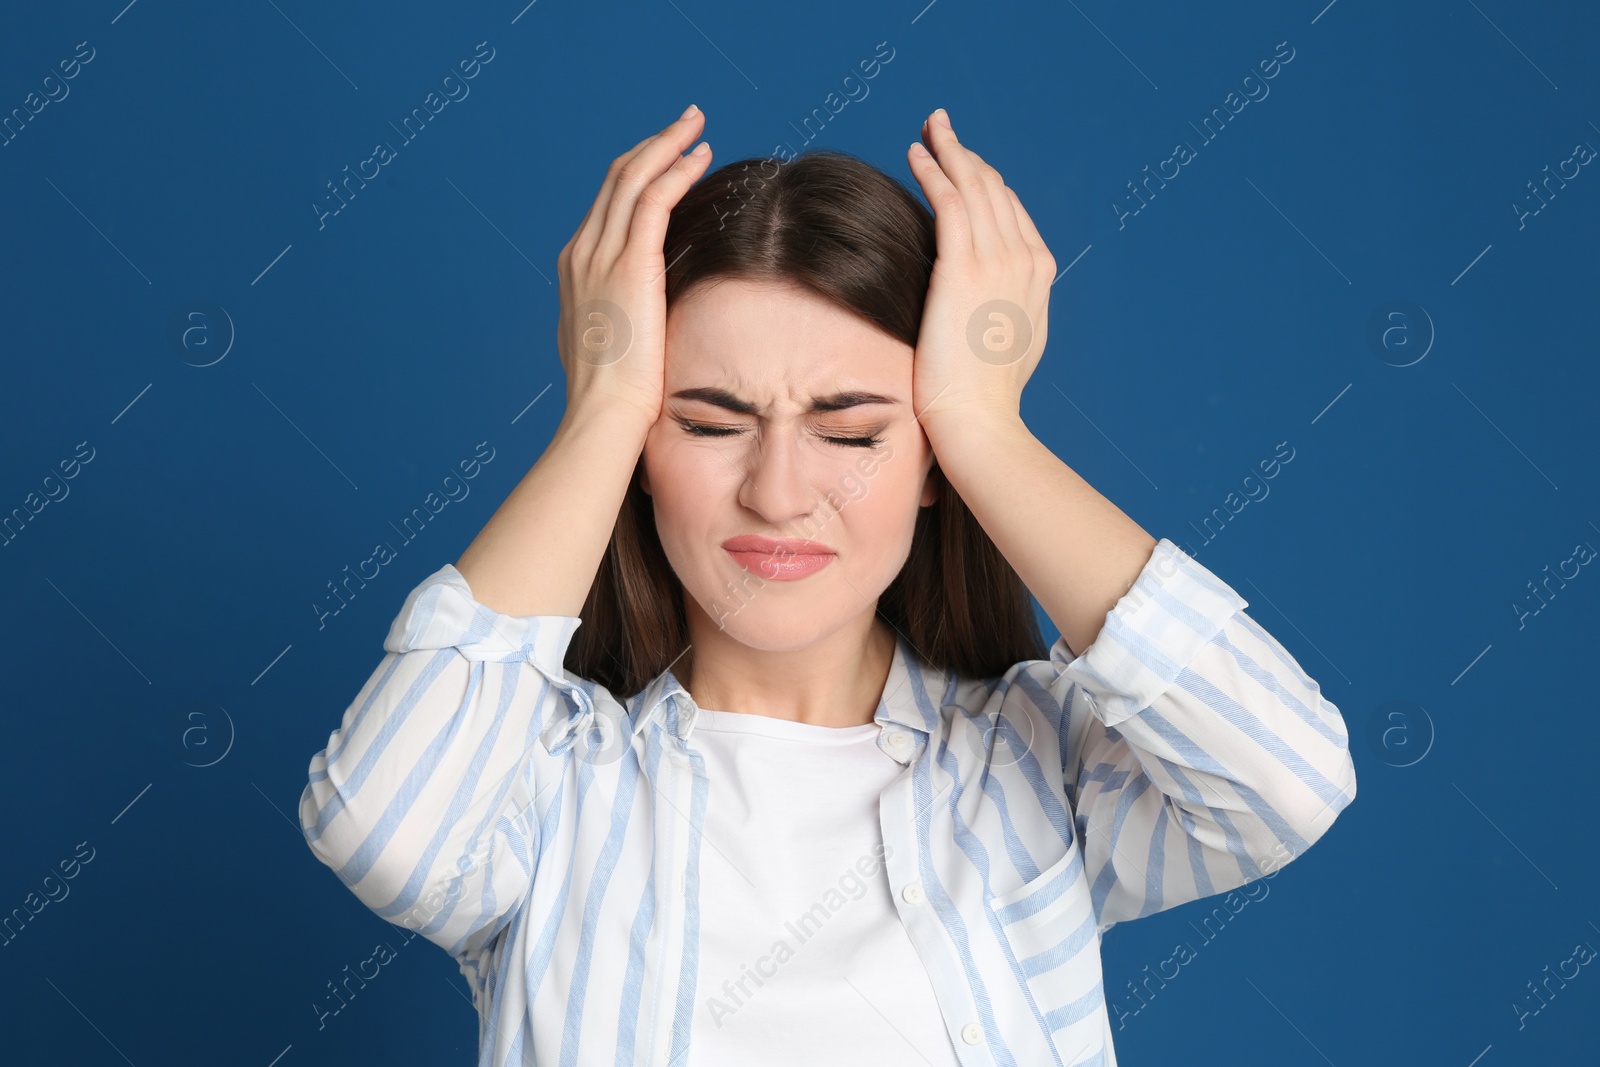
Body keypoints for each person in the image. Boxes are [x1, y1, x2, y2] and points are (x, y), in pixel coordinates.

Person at [299, 104, 1357, 1067]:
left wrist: (985, 426)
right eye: (709, 423)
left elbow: (1284, 778)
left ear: (933, 456)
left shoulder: (1038, 766)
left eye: (851, 431)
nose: (778, 490)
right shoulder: (543, 786)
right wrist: (604, 404)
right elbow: (381, 830)